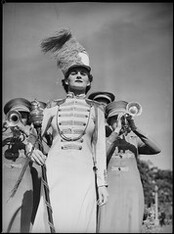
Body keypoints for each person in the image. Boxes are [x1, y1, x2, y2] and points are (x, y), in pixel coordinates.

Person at [29, 28, 108, 233]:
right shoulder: (53, 106)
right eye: (74, 72)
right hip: (55, 170)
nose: (79, 75)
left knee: (80, 220)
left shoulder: (97, 110)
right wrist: (32, 150)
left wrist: (102, 184)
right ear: (66, 80)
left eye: (84, 73)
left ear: (90, 81)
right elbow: (32, 134)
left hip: (84, 173)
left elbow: (99, 150)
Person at [98, 100, 161, 233]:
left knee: (131, 224)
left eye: (123, 118)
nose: (120, 122)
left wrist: (135, 128)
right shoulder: (104, 139)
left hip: (132, 190)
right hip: (110, 190)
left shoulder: (134, 140)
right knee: (107, 224)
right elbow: (99, 156)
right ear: (109, 122)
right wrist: (115, 132)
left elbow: (157, 149)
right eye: (115, 119)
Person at [2, 98, 42, 233]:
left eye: (24, 116)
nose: (19, 118)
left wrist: (24, 134)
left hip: (24, 185)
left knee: (23, 223)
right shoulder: (3, 132)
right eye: (15, 115)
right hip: (4, 183)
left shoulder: (32, 134)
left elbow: (39, 152)